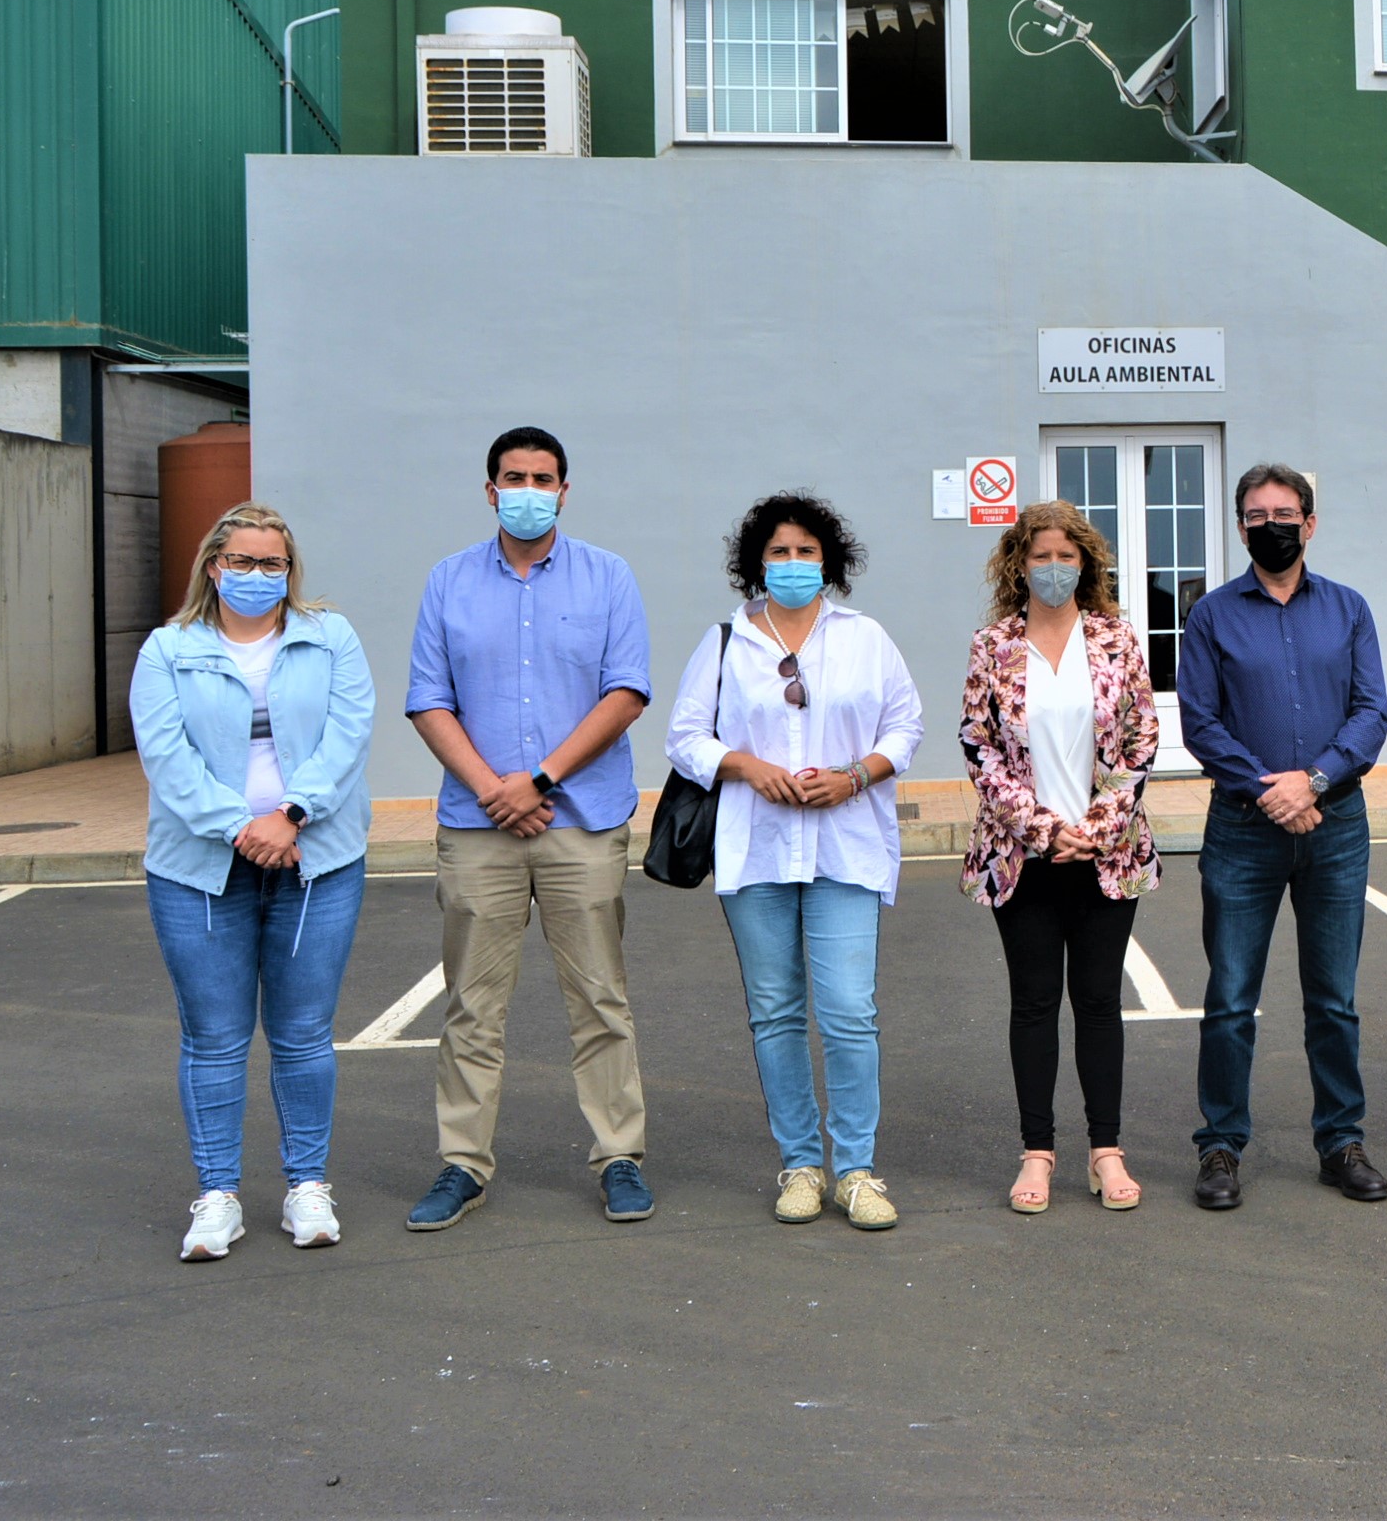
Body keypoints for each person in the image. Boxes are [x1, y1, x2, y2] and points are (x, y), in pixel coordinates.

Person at [403, 426, 655, 1232]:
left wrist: (538, 780)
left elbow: (626, 692)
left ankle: (619, 1156)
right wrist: (493, 791)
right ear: (490, 491)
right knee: (471, 1008)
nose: (528, 491)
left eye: (543, 479)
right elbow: (428, 699)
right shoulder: (448, 581)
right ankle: (462, 1164)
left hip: (582, 822)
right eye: (514, 478)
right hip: (479, 828)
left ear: (564, 492)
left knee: (600, 1000)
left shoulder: (608, 576)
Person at [666, 491, 924, 1231]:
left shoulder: (865, 637)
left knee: (849, 1014)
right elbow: (685, 736)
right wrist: (744, 765)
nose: (792, 563)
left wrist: (856, 776)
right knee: (776, 1014)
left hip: (847, 845)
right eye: (778, 552)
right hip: (758, 850)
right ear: (756, 562)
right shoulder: (725, 642)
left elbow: (906, 724)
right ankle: (802, 1166)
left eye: (806, 551)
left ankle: (857, 1171)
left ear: (828, 560)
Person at [132, 503, 375, 1261]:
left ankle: (308, 1186)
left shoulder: (330, 637)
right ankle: (218, 1197)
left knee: (303, 1035)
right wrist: (244, 827)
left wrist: (292, 815)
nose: (257, 574)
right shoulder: (169, 649)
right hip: (199, 868)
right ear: (214, 566)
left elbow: (348, 735)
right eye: (242, 561)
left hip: (316, 857)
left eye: (273, 563)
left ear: (289, 571)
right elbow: (165, 755)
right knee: (213, 1038)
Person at [1177, 463, 1387, 1210]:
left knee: (1333, 999)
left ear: (1310, 522)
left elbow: (1371, 711)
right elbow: (1199, 721)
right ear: (1241, 528)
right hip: (1244, 829)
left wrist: (1316, 780)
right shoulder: (1211, 615)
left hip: (1336, 825)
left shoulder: (1349, 608)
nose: (1273, 525)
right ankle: (1220, 1146)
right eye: (1257, 515)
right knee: (1230, 999)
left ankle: (1341, 1141)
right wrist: (1273, 791)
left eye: (1285, 514)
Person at [958, 501, 1162, 1215]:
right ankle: (1037, 1152)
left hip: (1107, 852)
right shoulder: (993, 645)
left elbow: (1141, 738)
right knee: (1035, 1001)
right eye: (1040, 556)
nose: (1053, 568)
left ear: (1086, 563)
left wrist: (1099, 824)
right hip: (1022, 855)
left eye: (1065, 556)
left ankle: (1106, 1151)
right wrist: (1044, 829)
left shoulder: (1115, 638)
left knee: (1100, 1002)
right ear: (1020, 564)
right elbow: (979, 746)